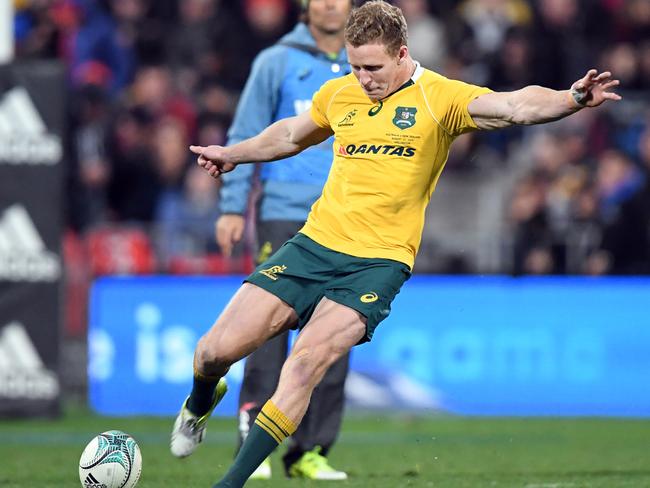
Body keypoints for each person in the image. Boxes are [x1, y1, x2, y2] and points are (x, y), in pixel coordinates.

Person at [171, 2, 621, 486]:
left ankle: (230, 482)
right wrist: (233, 155)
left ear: (403, 53)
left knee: (304, 364)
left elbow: (514, 106)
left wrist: (571, 98)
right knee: (212, 352)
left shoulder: (439, 98)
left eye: (373, 68)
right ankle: (201, 399)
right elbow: (290, 135)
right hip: (313, 246)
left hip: (378, 263)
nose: (363, 78)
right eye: (355, 66)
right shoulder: (340, 93)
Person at [215, 0, 353, 480]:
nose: (332, 4)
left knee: (333, 338)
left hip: (347, 218)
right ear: (306, 5)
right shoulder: (275, 61)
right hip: (283, 215)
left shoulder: (368, 68)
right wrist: (233, 205)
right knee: (265, 333)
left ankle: (310, 452)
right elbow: (246, 132)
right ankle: (254, 448)